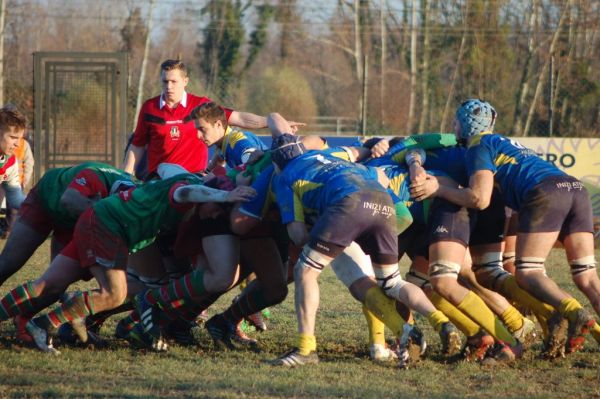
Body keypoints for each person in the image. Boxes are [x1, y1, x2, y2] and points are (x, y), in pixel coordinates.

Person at [410, 98, 600, 358]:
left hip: (545, 193)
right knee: (587, 276)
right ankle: (585, 326)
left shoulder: (479, 146)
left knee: (528, 273)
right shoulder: (505, 142)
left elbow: (480, 198)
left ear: (465, 126)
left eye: (455, 122)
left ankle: (572, 313)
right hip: (574, 188)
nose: (452, 128)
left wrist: (438, 189)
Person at [266, 113, 455, 367]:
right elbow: (361, 155)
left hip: (349, 205)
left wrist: (327, 235)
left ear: (277, 164)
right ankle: (440, 322)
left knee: (305, 270)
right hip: (384, 201)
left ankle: (306, 349)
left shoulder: (284, 177)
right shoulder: (331, 155)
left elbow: (297, 234)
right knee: (392, 282)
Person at [0, 173, 256, 354]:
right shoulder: (186, 189)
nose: (216, 214)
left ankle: (44, 322)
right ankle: (44, 325)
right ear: (208, 195)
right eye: (216, 208)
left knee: (49, 285)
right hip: (108, 227)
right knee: (115, 294)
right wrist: (224, 195)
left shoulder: (190, 194)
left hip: (99, 221)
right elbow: (188, 192)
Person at [122, 59, 271, 178]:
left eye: (174, 82)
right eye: (165, 81)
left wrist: (269, 122)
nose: (169, 87)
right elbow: (137, 145)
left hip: (195, 177)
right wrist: (126, 177)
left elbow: (237, 117)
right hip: (158, 180)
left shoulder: (200, 105)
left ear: (185, 81)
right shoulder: (149, 108)